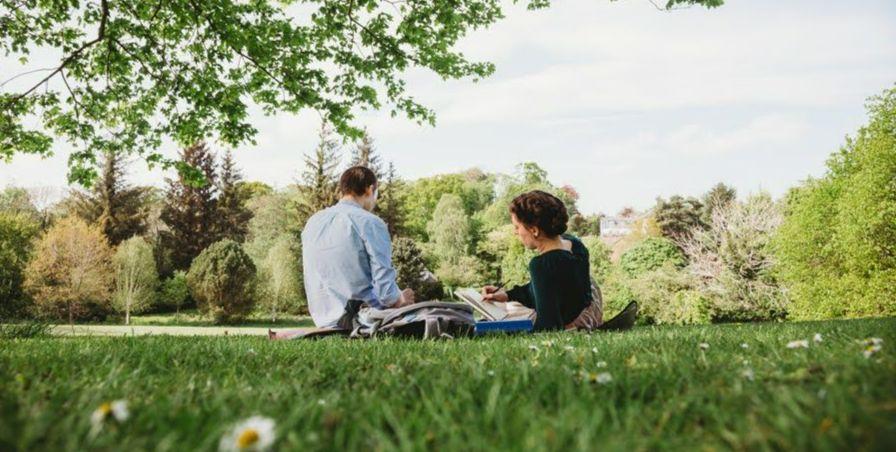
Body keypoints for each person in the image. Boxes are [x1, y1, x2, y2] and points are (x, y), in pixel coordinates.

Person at [298, 166, 414, 329]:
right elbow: (387, 293)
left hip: (324, 320)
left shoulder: (313, 222)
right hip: (361, 319)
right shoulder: (370, 222)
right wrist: (401, 299)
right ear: (370, 189)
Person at [481, 190, 602, 331]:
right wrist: (506, 295)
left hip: (573, 324)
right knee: (509, 305)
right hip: (589, 315)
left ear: (534, 230)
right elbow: (547, 289)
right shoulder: (575, 244)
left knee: (502, 315)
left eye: (517, 227)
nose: (516, 232)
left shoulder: (543, 264)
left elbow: (548, 326)